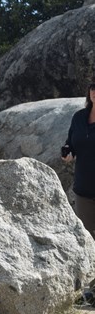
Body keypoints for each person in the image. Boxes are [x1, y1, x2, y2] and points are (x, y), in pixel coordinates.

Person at [61, 80, 95, 238]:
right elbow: (71, 143)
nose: (94, 91)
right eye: (93, 87)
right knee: (85, 240)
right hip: (83, 191)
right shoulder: (79, 117)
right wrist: (68, 152)